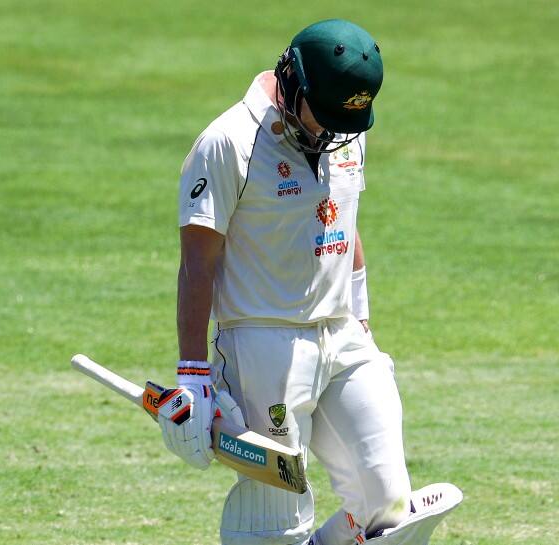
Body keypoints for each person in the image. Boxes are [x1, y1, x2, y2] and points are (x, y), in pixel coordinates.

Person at [158, 19, 462, 545]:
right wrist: (193, 375)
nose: (331, 134)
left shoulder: (345, 131)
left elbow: (344, 220)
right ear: (293, 83)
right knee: (274, 518)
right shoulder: (228, 142)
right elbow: (197, 263)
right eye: (321, 118)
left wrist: (362, 320)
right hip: (262, 343)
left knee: (389, 507)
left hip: (343, 334)